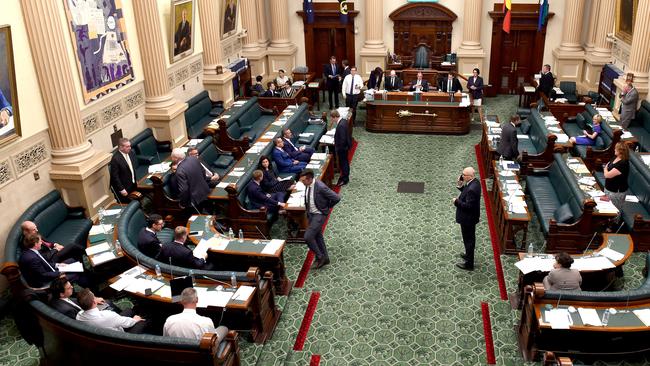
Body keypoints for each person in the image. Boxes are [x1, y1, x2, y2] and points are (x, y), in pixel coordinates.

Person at [300, 170, 340, 269]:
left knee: (308, 237)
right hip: (311, 215)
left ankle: (320, 256)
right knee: (318, 236)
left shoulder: (321, 187)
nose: (302, 182)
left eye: (303, 181)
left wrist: (326, 208)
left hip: (319, 215)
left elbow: (336, 198)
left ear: (309, 179)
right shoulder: (308, 185)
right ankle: (325, 258)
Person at [163, 287, 229, 342]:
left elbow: (165, 341)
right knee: (224, 328)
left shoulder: (169, 320)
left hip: (176, 356)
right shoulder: (206, 322)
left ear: (181, 301)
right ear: (197, 300)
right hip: (201, 356)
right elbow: (214, 342)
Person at [76, 288, 148, 333]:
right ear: (94, 302)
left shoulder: (79, 316)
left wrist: (94, 300)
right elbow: (127, 323)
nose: (96, 297)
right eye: (94, 297)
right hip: (121, 338)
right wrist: (135, 320)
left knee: (129, 310)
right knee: (142, 321)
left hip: (104, 331)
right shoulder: (108, 315)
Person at [50, 277, 118, 319]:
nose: (72, 287)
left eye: (71, 285)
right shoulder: (67, 310)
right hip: (89, 317)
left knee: (104, 301)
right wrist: (92, 303)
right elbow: (82, 320)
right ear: (61, 294)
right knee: (107, 303)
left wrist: (93, 299)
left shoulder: (55, 297)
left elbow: (75, 298)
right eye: (69, 288)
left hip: (83, 309)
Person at [453, 167, 481, 271]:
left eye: (464, 175)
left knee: (469, 240)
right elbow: (466, 192)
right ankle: (468, 255)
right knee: (468, 240)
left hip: (468, 219)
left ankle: (469, 264)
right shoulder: (474, 182)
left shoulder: (472, 188)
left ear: (470, 176)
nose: (462, 176)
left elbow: (469, 206)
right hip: (469, 218)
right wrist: (460, 185)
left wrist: (456, 201)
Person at [603, 142, 630, 223]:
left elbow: (607, 175)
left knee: (614, 211)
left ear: (620, 152)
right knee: (607, 209)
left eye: (616, 149)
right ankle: (607, 223)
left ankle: (613, 227)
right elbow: (608, 165)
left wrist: (605, 169)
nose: (614, 149)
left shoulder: (623, 164)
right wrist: (606, 169)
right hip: (608, 188)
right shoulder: (615, 157)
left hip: (616, 192)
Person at [109, 138, 137, 203]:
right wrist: (121, 189)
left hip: (132, 183)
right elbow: (115, 176)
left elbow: (131, 168)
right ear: (121, 147)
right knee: (128, 204)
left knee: (135, 201)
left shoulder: (130, 153)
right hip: (124, 188)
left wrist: (135, 180)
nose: (130, 148)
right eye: (127, 146)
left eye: (130, 146)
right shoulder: (115, 159)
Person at [333, 109, 352, 186]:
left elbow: (343, 139)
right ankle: (344, 176)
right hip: (345, 147)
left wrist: (338, 147)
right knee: (345, 162)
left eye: (332, 118)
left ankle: (345, 179)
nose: (332, 120)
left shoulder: (340, 125)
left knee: (344, 163)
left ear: (334, 117)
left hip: (342, 148)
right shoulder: (343, 121)